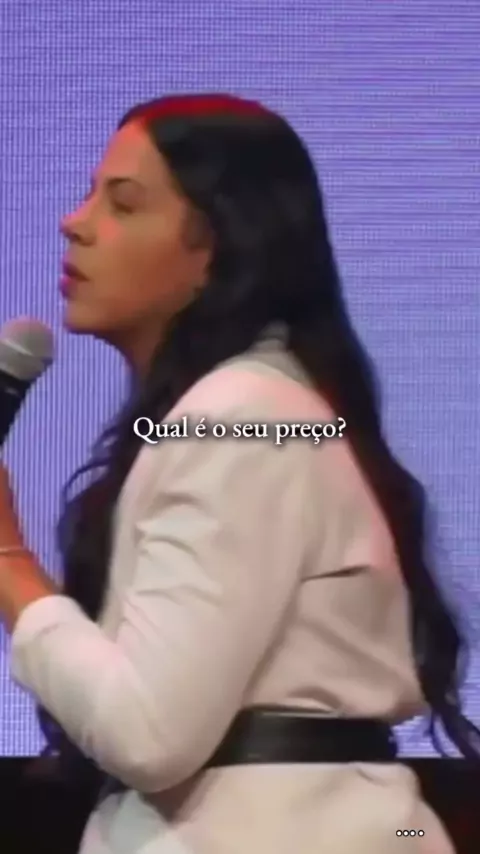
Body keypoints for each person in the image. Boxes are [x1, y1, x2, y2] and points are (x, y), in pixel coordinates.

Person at [0, 92, 475, 854]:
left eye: (123, 203)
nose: (74, 222)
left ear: (217, 248)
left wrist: (9, 561)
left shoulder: (241, 415)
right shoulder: (251, 408)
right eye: (89, 195)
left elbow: (146, 732)